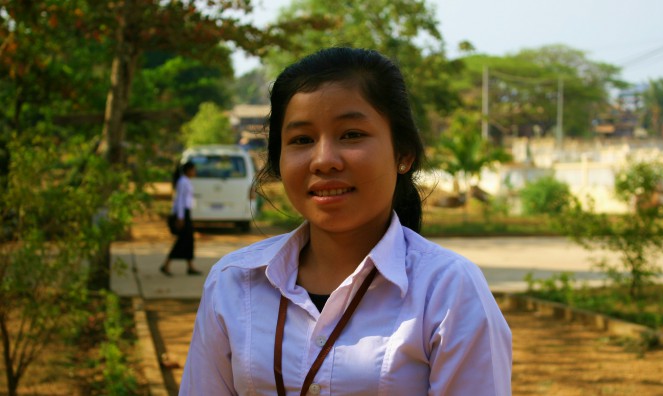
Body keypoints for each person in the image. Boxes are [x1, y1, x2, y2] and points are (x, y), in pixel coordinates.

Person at [180, 47, 512, 395]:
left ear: (403, 153)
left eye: (351, 134)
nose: (323, 160)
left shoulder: (448, 291)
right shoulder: (233, 283)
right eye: (301, 140)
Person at [161, 161, 202, 276]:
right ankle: (166, 264)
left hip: (186, 213)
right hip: (182, 214)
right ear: (188, 170)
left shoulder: (187, 181)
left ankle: (190, 266)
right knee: (183, 240)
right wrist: (180, 217)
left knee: (188, 240)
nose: (195, 172)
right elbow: (179, 200)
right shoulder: (183, 182)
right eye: (193, 169)